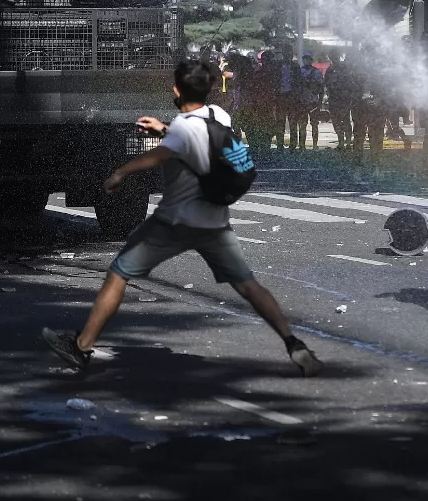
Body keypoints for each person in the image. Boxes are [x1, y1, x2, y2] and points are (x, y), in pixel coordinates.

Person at [41, 59, 321, 377]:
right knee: (248, 286)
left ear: (176, 90)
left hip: (173, 223)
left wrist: (119, 172)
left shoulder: (182, 130)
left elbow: (158, 155)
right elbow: (196, 137)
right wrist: (163, 129)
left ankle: (81, 347)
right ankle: (294, 344)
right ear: (209, 90)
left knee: (118, 274)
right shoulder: (219, 116)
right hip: (214, 222)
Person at [325, 53, 357, 150]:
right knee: (336, 122)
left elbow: (351, 83)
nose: (334, 59)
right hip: (333, 99)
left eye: (336, 56)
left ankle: (347, 143)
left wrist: (348, 95)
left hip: (344, 99)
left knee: (346, 120)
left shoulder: (344, 68)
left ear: (339, 57)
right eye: (332, 57)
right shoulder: (329, 70)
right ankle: (341, 142)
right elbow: (326, 84)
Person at [295, 54, 325, 149]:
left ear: (311, 60)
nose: (306, 60)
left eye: (308, 59)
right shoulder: (299, 71)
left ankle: (315, 145)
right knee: (302, 124)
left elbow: (321, 88)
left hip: (313, 102)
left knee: (314, 124)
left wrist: (320, 101)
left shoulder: (317, 72)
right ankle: (302, 145)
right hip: (302, 102)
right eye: (305, 59)